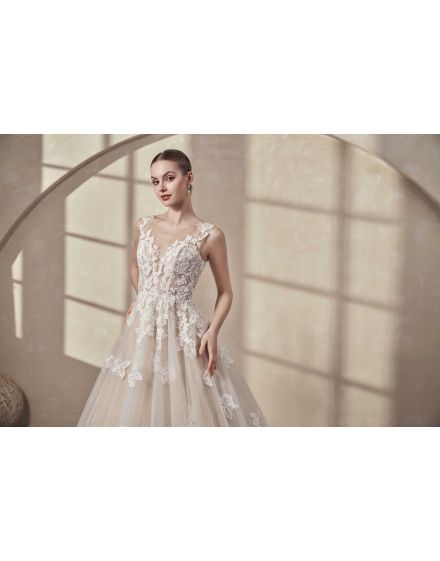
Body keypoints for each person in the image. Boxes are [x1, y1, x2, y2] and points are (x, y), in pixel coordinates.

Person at [77, 149, 269, 426]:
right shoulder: (143, 226)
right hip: (142, 329)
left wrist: (213, 331)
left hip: (183, 332)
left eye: (169, 178)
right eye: (155, 181)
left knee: (186, 406)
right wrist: (143, 297)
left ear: (188, 178)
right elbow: (134, 266)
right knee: (137, 404)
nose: (162, 188)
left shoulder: (210, 235)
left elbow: (226, 291)